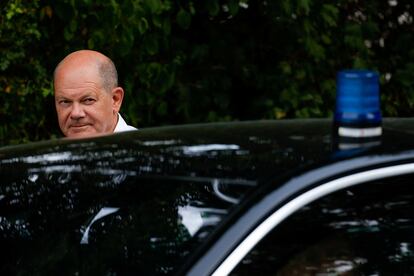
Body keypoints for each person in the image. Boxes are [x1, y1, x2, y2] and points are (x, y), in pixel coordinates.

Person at [53, 49, 137, 138]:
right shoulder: (54, 151)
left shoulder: (143, 150)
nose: (75, 113)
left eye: (88, 100)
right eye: (65, 102)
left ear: (115, 99)